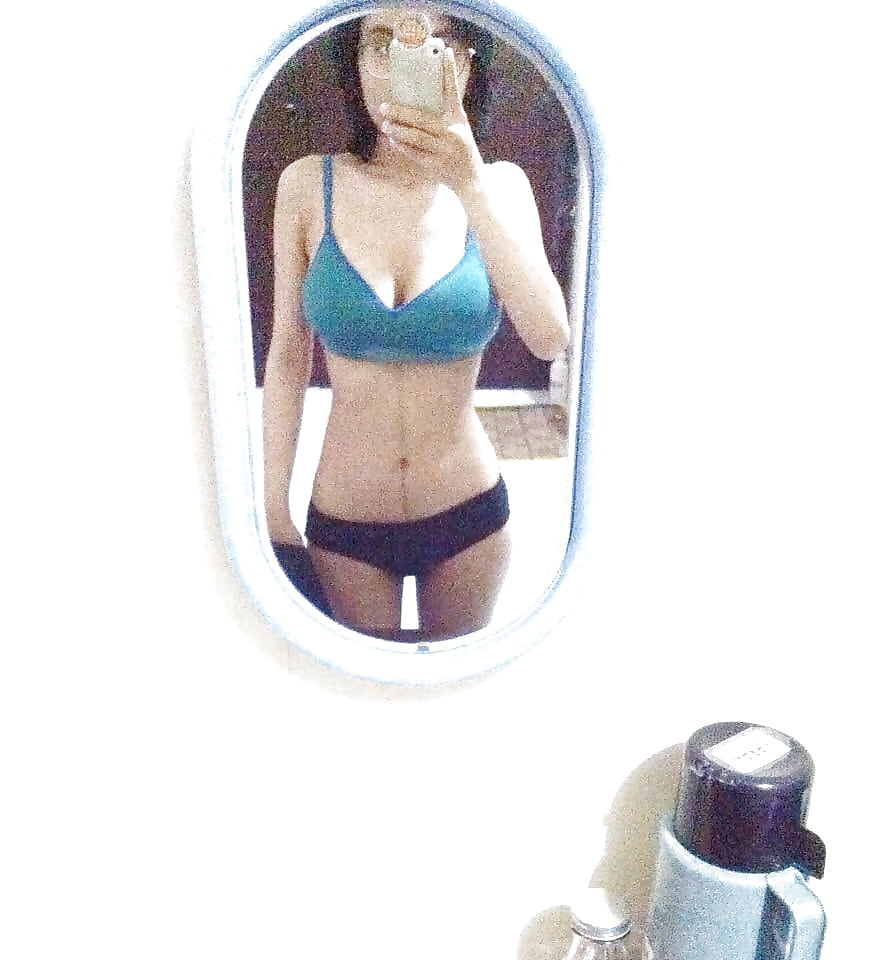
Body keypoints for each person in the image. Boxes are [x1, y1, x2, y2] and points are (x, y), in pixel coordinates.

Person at [263, 7, 569, 641]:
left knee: (451, 692)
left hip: (468, 516)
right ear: (354, 64)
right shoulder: (307, 186)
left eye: (428, 43)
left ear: (464, 63)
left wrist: (470, 184)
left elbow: (548, 338)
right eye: (378, 42)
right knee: (352, 689)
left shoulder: (501, 187)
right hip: (345, 519)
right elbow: (288, 355)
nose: (394, 62)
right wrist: (271, 505)